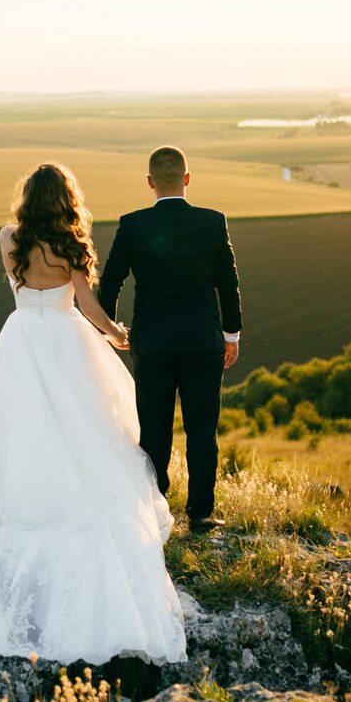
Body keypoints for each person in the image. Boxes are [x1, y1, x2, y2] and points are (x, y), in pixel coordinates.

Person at [0, 162, 187, 666]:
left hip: (20, 338)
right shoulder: (70, 244)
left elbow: (20, 289)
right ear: (65, 199)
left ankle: (13, 499)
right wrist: (117, 336)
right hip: (64, 337)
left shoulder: (7, 238)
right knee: (85, 429)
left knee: (11, 426)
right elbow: (87, 305)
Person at [99, 146, 242, 532]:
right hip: (202, 342)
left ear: (150, 182)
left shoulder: (132, 225)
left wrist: (110, 332)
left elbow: (110, 282)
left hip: (152, 344)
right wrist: (231, 334)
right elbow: (227, 284)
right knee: (201, 428)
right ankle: (200, 513)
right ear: (187, 178)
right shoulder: (213, 222)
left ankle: (154, 510)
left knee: (154, 429)